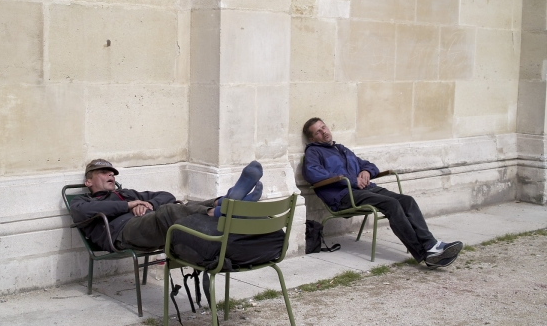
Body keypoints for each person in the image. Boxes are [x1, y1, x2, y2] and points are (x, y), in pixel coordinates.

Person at [301, 118, 462, 268]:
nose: (324, 132)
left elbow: (369, 164)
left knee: (407, 201)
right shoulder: (313, 153)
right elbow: (313, 174)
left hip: (367, 189)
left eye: (324, 127)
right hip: (344, 195)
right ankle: (425, 254)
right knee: (391, 204)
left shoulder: (341, 149)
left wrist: (366, 172)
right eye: (318, 132)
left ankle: (430, 244)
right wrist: (352, 180)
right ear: (312, 139)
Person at [71, 159, 263, 252]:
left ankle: (223, 202)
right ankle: (222, 208)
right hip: (122, 234)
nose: (111, 175)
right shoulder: (85, 201)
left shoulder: (126, 193)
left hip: (149, 222)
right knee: (170, 212)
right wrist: (130, 205)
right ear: (88, 182)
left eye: (112, 173)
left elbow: (166, 195)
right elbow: (81, 212)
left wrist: (148, 205)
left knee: (177, 207)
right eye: (104, 172)